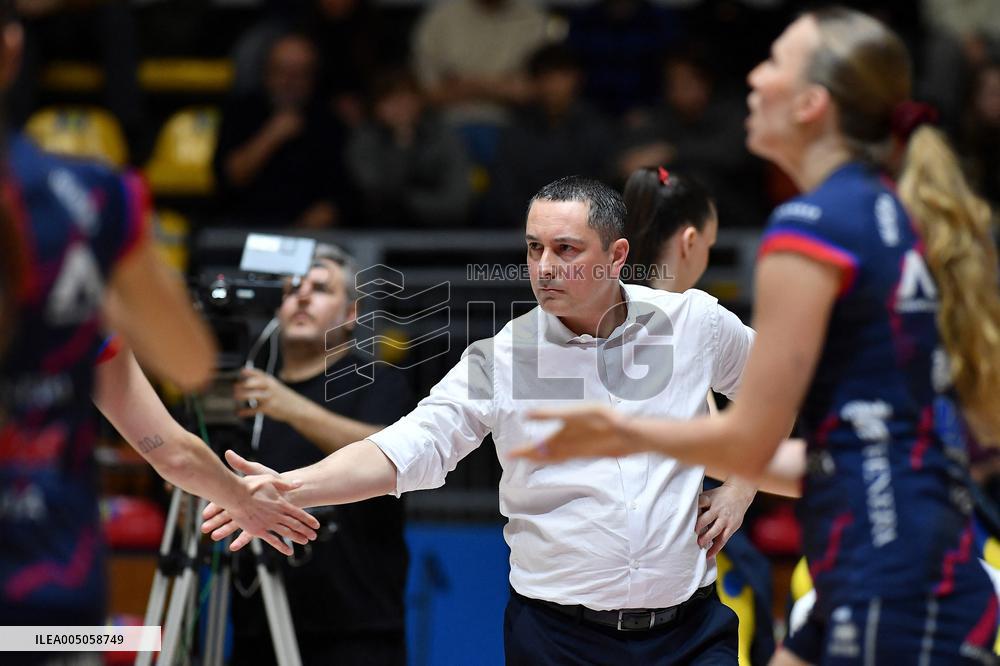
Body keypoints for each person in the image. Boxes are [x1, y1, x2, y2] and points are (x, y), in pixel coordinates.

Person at [516, 8, 1000, 664]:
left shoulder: (811, 228)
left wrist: (622, 432)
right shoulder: (890, 207)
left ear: (811, 104)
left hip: (886, 559)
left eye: (773, 61)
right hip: (910, 539)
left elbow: (750, 438)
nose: (753, 76)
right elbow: (864, 440)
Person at [204, 176, 759, 665]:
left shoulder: (693, 321)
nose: (544, 267)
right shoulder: (502, 356)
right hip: (558, 640)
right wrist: (290, 487)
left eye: (566, 249)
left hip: (690, 630)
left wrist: (741, 489)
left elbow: (777, 392)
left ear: (616, 255)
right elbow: (408, 446)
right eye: (534, 248)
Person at [0, 2, 316, 646]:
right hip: (43, 582)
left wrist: (233, 492)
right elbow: (189, 367)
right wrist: (239, 495)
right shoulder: (89, 202)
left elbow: (166, 444)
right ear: (11, 50)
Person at [227, 244, 413, 665]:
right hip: (259, 622)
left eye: (320, 288)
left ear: (350, 313)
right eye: (292, 288)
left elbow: (392, 450)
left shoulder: (376, 380)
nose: (302, 296)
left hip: (356, 623)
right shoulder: (251, 395)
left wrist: (289, 406)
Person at [213, 31, 350, 228]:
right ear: (266, 73)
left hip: (310, 238)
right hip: (244, 233)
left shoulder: (328, 122)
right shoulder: (242, 112)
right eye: (282, 71)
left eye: (300, 73)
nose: (290, 81)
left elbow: (342, 196)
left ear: (313, 77)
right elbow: (230, 179)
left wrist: (319, 218)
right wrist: (272, 135)